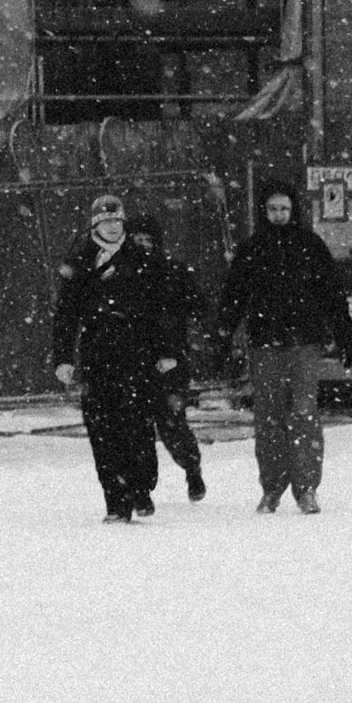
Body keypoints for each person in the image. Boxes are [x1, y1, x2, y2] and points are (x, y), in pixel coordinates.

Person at [218, 186, 352, 514]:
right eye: (273, 208)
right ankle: (272, 488)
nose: (279, 214)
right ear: (264, 211)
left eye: (284, 208)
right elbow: (234, 295)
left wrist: (344, 334)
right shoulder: (252, 249)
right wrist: (223, 332)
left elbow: (333, 293)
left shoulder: (311, 246)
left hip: (304, 343)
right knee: (269, 418)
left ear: (294, 211)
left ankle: (306, 489)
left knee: (304, 413)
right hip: (265, 344)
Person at [49, 194, 183, 520]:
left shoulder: (141, 257)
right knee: (103, 430)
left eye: (116, 220)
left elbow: (159, 307)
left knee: (137, 425)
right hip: (97, 354)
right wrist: (64, 357)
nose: (112, 226)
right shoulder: (81, 258)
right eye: (105, 221)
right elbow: (67, 313)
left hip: (137, 352)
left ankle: (140, 486)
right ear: (95, 224)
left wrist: (167, 350)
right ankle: (116, 500)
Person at [132, 213, 214, 500]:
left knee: (172, 425)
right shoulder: (122, 275)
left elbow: (198, 312)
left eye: (147, 240)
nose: (143, 246)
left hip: (170, 361)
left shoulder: (173, 273)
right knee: (137, 428)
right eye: (137, 240)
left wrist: (178, 354)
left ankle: (192, 470)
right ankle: (141, 486)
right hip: (134, 360)